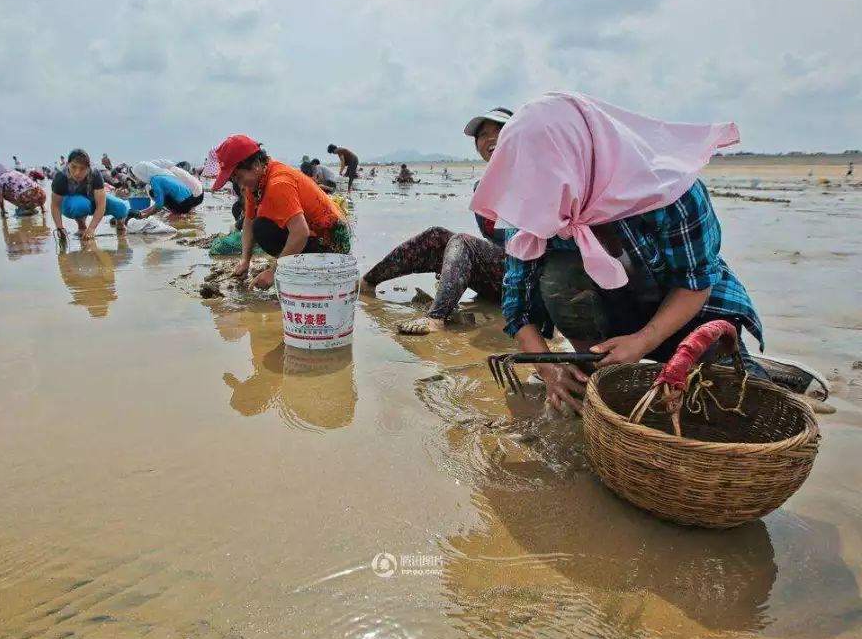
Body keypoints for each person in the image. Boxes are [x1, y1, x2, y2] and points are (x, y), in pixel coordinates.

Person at [469, 92, 765, 414]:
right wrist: (549, 370)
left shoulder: (669, 192)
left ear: (582, 155)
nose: (539, 190)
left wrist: (643, 342)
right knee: (558, 274)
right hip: (608, 319)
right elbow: (518, 305)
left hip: (691, 314)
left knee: (733, 400)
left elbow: (696, 280)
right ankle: (600, 366)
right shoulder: (533, 206)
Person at [362, 107, 512, 335]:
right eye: (482, 134)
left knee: (464, 242)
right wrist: (455, 264)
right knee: (437, 237)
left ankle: (436, 319)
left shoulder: (537, 176)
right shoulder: (481, 188)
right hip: (503, 278)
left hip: (534, 281)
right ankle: (368, 282)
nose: (489, 138)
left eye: (499, 129)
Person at [211, 134, 351, 289]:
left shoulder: (278, 183)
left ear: (256, 163)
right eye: (234, 179)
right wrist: (245, 260)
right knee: (259, 226)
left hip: (330, 246)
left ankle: (305, 269)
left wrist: (274, 272)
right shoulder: (255, 183)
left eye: (239, 176)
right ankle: (294, 264)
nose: (239, 183)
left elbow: (301, 232)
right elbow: (248, 221)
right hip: (310, 235)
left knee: (263, 229)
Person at [51, 149, 132, 239]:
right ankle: (81, 226)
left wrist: (92, 228)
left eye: (82, 169)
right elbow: (55, 205)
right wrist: (59, 227)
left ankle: (120, 225)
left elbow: (101, 205)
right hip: (71, 204)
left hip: (92, 200)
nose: (77, 173)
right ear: (68, 164)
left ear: (88, 168)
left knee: (121, 207)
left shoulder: (95, 174)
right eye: (73, 167)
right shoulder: (61, 176)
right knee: (80, 205)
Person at [130, 161, 204, 217]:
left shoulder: (155, 180)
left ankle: (178, 213)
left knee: (153, 192)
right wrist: (142, 211)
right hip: (193, 198)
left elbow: (159, 205)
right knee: (159, 195)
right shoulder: (165, 174)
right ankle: (183, 211)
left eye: (138, 176)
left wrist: (144, 215)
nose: (138, 179)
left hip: (187, 203)